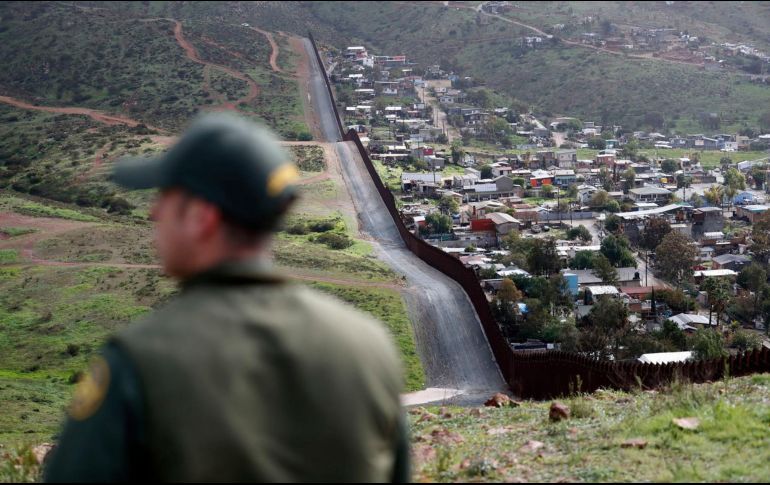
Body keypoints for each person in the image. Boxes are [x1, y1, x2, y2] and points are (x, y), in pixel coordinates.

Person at [44, 113, 409, 482]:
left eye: (165, 196)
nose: (155, 212)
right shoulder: (370, 346)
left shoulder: (138, 361)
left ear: (202, 216)